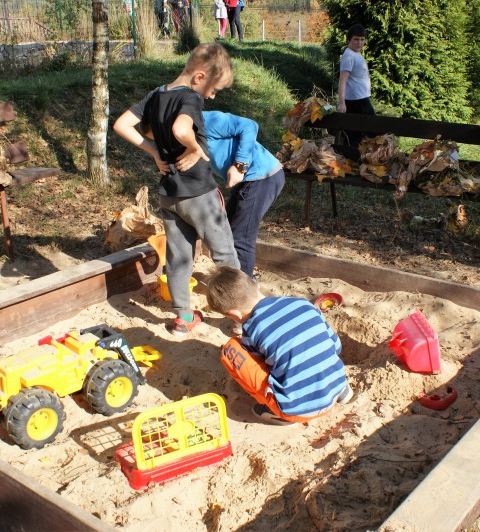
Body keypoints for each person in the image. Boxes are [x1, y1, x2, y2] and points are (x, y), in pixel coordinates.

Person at [113, 43, 240, 337]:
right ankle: (242, 319)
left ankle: (183, 317)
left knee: (179, 257)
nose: (212, 95)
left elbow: (124, 125)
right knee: (225, 255)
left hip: (170, 195)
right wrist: (195, 148)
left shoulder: (157, 95)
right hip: (200, 194)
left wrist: (154, 151)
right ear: (199, 77)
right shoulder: (190, 97)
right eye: (213, 89)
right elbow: (181, 129)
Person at [206, 265, 354, 425]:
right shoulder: (303, 304)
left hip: (298, 410)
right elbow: (336, 346)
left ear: (234, 313)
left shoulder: (252, 329)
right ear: (255, 286)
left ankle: (276, 412)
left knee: (230, 350)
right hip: (336, 384)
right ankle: (341, 390)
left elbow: (260, 366)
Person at [203, 110, 285, 280]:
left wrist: (240, 165)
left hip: (262, 176)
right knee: (228, 230)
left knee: (241, 236)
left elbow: (250, 126)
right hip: (248, 180)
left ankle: (246, 287)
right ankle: (235, 280)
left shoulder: (204, 120)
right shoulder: (175, 131)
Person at [337, 23, 374, 147]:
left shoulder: (355, 54)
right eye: (356, 39)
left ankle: (354, 155)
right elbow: (342, 80)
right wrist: (341, 103)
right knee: (373, 130)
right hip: (357, 101)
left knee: (357, 134)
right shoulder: (349, 56)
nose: (359, 43)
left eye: (362, 39)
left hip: (360, 98)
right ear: (349, 40)